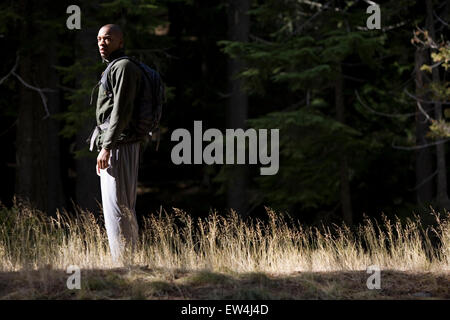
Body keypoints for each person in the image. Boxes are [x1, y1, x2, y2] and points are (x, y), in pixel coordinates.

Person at [92, 24, 143, 262]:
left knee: (118, 206)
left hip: (120, 145)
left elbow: (121, 112)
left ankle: (123, 265)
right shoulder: (114, 67)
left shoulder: (122, 67)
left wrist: (107, 147)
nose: (102, 43)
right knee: (120, 205)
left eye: (108, 39)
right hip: (117, 144)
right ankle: (128, 262)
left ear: (120, 42)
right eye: (100, 39)